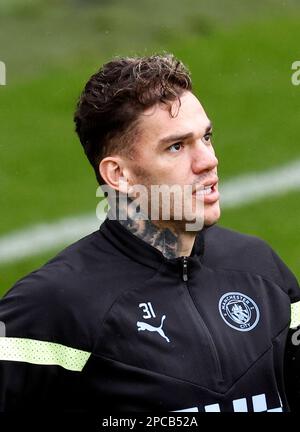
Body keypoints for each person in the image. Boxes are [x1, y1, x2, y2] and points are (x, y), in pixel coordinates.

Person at [0, 53, 299, 412]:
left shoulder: (260, 269)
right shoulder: (54, 307)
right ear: (119, 175)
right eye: (176, 146)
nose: (208, 160)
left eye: (207, 137)